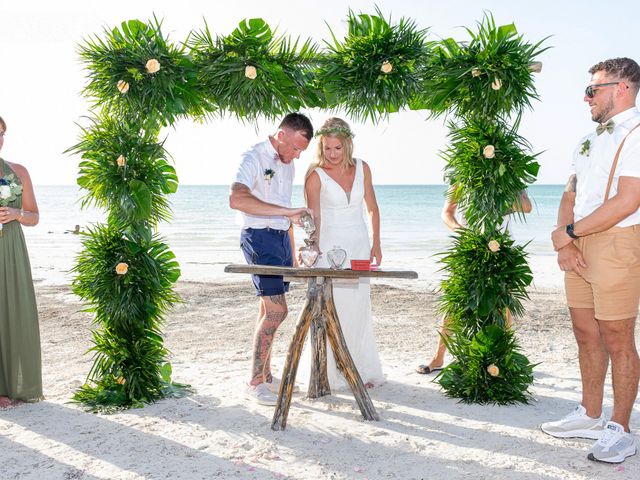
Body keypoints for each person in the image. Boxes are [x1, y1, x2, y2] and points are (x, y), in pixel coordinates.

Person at [543, 57, 640, 464]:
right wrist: (566, 243)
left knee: (618, 337)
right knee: (585, 333)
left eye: (593, 89)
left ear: (623, 88)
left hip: (617, 243)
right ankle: (590, 413)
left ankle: (621, 428)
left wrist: (569, 234)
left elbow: (629, 200)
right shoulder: (588, 138)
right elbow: (570, 194)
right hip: (579, 243)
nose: (586, 97)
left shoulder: (635, 134)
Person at [229, 112, 314, 406]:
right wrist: (285, 213)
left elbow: (286, 212)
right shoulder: (253, 157)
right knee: (278, 312)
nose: (296, 156)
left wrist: (292, 254)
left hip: (279, 240)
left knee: (268, 310)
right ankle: (253, 383)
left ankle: (264, 375)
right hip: (258, 236)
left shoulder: (288, 165)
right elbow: (236, 199)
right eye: (294, 148)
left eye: (302, 151)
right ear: (281, 135)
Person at [299, 117, 384, 390]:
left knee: (358, 305)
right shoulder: (315, 175)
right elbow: (314, 218)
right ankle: (332, 371)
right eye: (327, 148)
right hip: (330, 246)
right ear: (321, 147)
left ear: (347, 145)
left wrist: (376, 242)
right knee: (333, 306)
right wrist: (313, 249)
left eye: (337, 148)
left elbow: (372, 207)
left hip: (358, 243)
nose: (332, 154)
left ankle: (357, 367)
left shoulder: (363, 168)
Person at [416, 188, 532, 375]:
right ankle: (438, 357)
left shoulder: (511, 177)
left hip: (501, 249)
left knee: (504, 304)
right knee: (455, 304)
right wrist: (461, 231)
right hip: (470, 249)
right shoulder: (462, 177)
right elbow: (447, 213)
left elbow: (526, 207)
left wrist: (498, 197)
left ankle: (504, 355)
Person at [0, 115, 43, 408]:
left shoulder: (19, 172)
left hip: (11, 249)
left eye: (1, 133)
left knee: (11, 312)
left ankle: (8, 388)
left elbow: (34, 217)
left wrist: (16, 215)